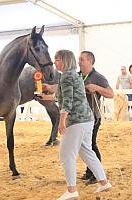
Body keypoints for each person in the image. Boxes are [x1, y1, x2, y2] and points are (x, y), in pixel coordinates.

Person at [41, 50, 112, 200]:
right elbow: (67, 96)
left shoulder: (66, 76)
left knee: (66, 154)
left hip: (76, 121)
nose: (55, 62)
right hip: (87, 119)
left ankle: (72, 190)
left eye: (58, 59)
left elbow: (68, 101)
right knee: (87, 151)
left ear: (65, 61)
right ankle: (103, 182)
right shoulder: (74, 75)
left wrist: (61, 121)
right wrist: (47, 96)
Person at [78, 51, 114, 185]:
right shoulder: (77, 76)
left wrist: (97, 88)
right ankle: (90, 171)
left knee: (91, 145)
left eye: (81, 60)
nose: (79, 62)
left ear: (90, 62)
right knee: (85, 145)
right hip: (81, 118)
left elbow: (111, 94)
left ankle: (96, 175)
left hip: (93, 116)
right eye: (79, 59)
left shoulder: (98, 77)